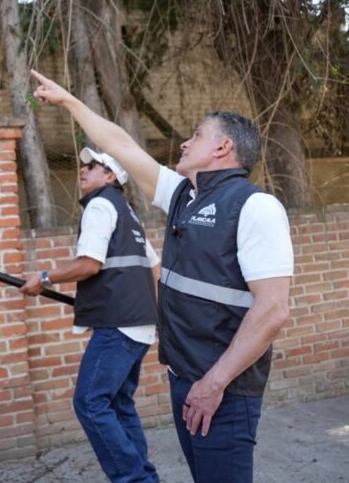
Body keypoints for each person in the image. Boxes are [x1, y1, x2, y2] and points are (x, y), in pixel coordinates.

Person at [29, 69, 293, 483]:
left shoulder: (255, 206)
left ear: (223, 147)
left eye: (197, 135)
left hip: (222, 387)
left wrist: (214, 382)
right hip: (185, 379)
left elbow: (274, 309)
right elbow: (119, 144)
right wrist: (70, 103)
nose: (185, 142)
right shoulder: (182, 195)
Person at [20, 147, 160, 483]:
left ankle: (136, 479)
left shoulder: (100, 205)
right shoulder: (128, 212)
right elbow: (155, 267)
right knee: (119, 404)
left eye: (94, 165)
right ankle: (144, 476)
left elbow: (89, 264)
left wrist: (45, 278)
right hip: (138, 325)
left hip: (118, 327)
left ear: (111, 176)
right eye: (84, 164)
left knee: (91, 403)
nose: (83, 169)